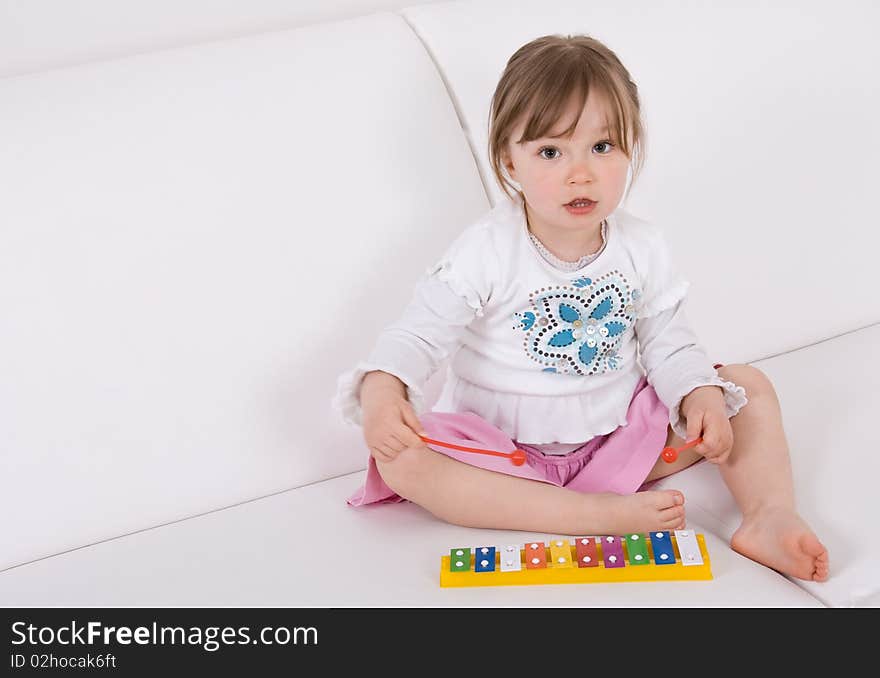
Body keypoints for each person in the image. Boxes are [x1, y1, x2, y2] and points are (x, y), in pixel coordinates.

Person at [333, 34, 828, 582]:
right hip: (501, 460)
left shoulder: (641, 247)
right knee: (405, 461)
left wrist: (696, 392)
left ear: (630, 148)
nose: (581, 173)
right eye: (551, 151)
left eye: (602, 147)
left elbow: (669, 341)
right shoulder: (488, 248)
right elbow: (418, 334)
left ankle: (768, 515)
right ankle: (586, 514)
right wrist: (383, 389)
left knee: (747, 387)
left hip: (616, 446)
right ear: (508, 160)